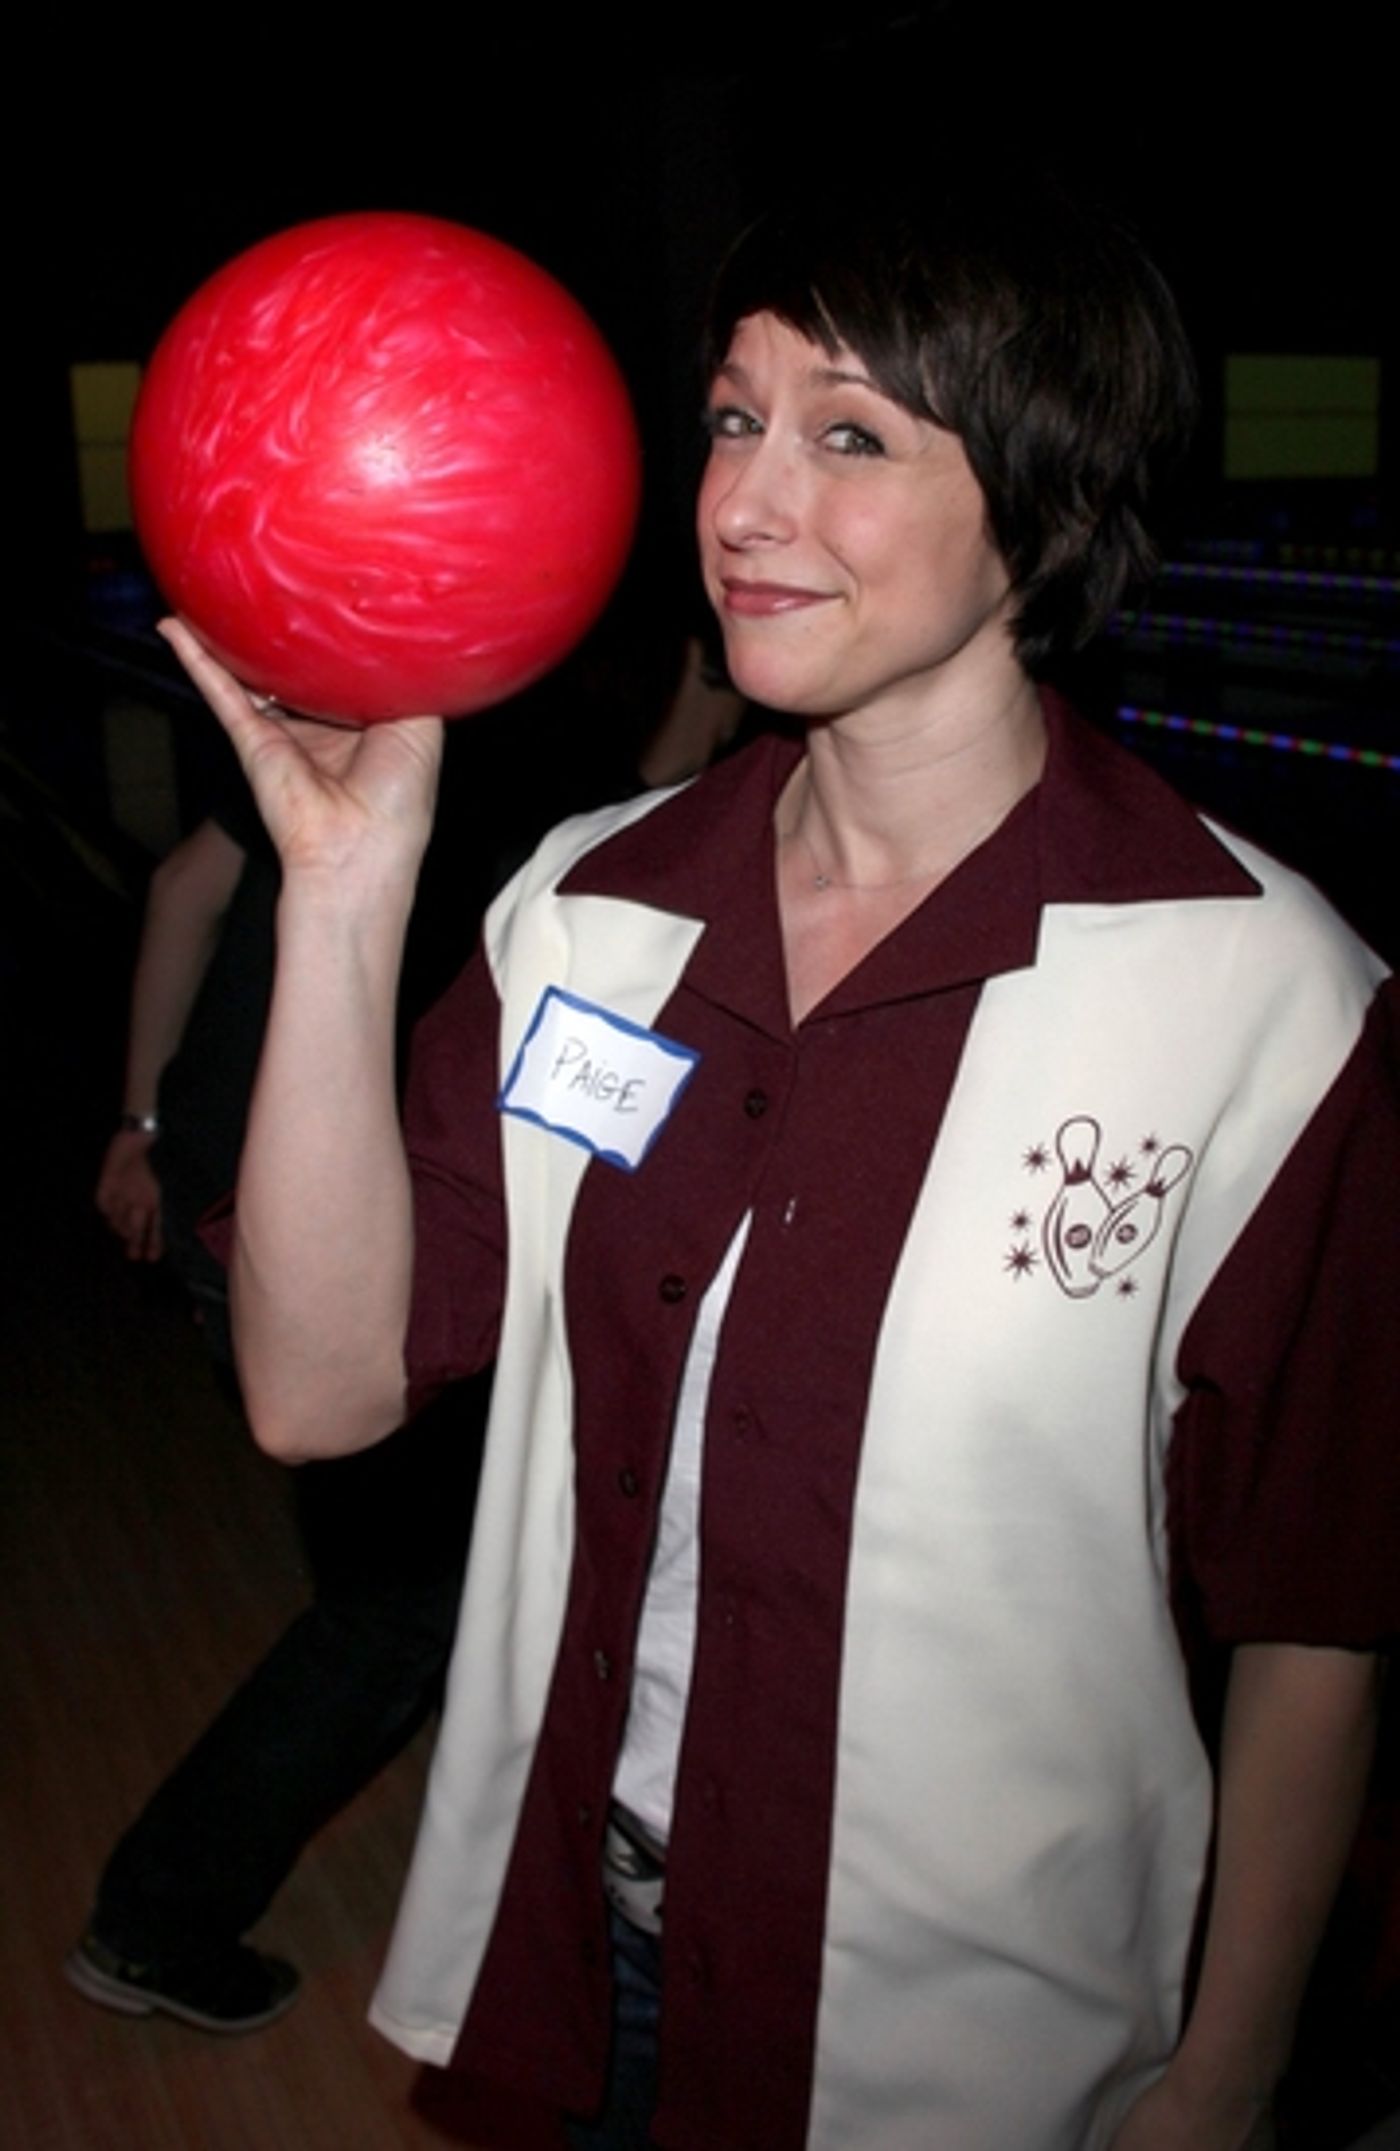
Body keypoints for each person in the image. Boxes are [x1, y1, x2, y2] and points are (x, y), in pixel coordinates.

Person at [160, 171, 1397, 2150]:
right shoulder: (588, 907)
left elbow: (1314, 1614)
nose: (742, 503)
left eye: (848, 436)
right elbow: (316, 1391)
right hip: (587, 1943)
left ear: (1048, 509)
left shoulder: (1260, 995)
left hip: (985, 2047)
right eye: (734, 418)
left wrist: (1220, 2080)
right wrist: (342, 888)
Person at [71, 771, 488, 2033]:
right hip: (313, 1214)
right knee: (391, 1610)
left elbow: (181, 885)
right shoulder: (498, 750)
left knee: (397, 1574)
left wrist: (138, 1122)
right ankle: (154, 1921)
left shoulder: (335, 698)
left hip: (222, 1171)